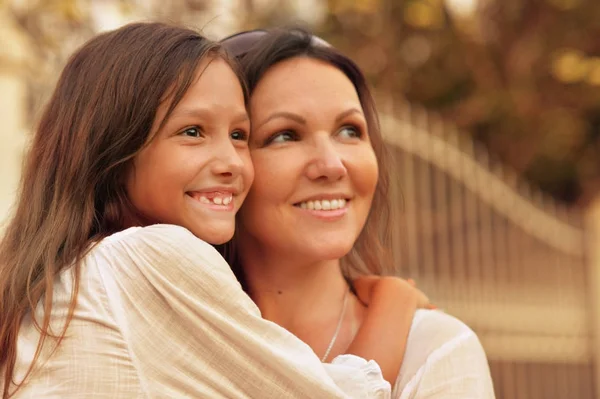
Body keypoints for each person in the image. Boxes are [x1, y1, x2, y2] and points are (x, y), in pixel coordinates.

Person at [0, 22, 427, 398]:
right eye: (193, 131)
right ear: (115, 149)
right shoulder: (150, 257)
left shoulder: (68, 275)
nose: (231, 163)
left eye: (240, 134)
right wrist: (396, 299)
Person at [221, 28, 496, 398]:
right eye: (285, 135)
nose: (332, 165)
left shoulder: (435, 351)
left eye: (349, 130)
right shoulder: (167, 339)